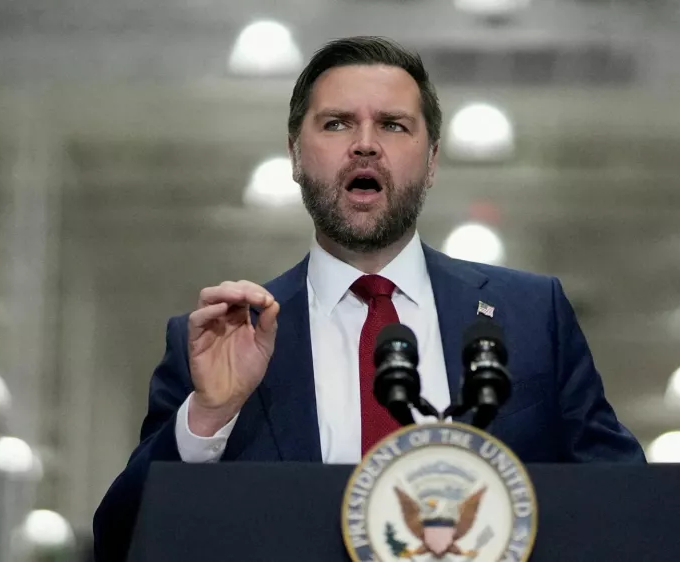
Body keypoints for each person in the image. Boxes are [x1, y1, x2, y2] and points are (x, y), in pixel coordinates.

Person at [92, 35, 644, 561]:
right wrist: (208, 418)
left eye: (393, 125)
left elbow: (631, 511)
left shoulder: (531, 316)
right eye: (336, 123)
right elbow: (120, 542)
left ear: (430, 162)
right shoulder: (222, 337)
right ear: (294, 154)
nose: (364, 143)